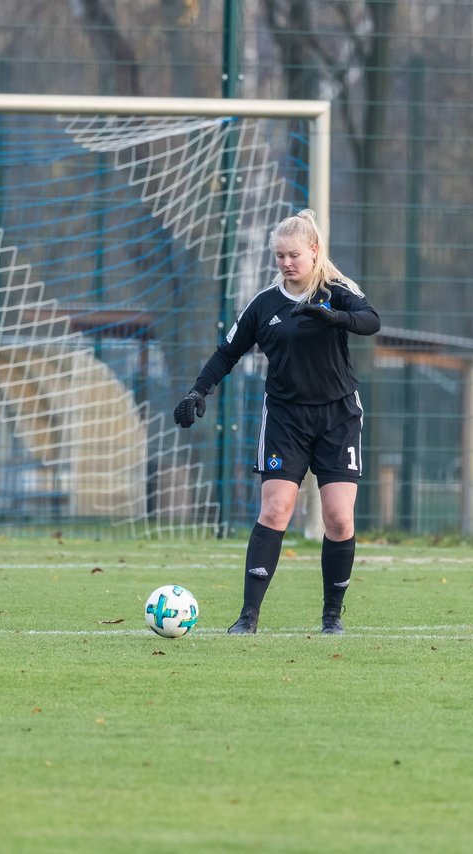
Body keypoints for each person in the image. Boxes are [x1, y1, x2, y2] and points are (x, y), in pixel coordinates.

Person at [173, 209, 380, 635]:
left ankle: (331, 617)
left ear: (314, 252)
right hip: (286, 418)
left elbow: (370, 322)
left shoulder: (336, 291)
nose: (287, 263)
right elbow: (227, 352)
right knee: (275, 509)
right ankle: (248, 617)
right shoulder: (264, 304)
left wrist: (334, 317)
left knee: (339, 518)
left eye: (294, 255)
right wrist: (198, 391)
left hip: (338, 415)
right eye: (280, 256)